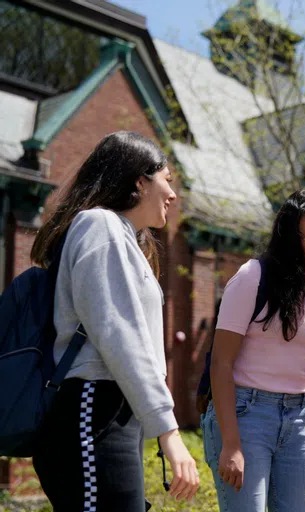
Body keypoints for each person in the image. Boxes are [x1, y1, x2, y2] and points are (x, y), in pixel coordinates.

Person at [30, 131, 200, 511]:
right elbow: (120, 337)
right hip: (93, 406)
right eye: (166, 180)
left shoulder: (124, 239)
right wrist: (169, 433)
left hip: (109, 411)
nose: (173, 195)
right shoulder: (100, 226)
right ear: (140, 181)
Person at [202, 189, 305, 512]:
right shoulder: (252, 276)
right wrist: (231, 443)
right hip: (245, 414)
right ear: (291, 223)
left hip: (301, 419)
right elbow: (221, 363)